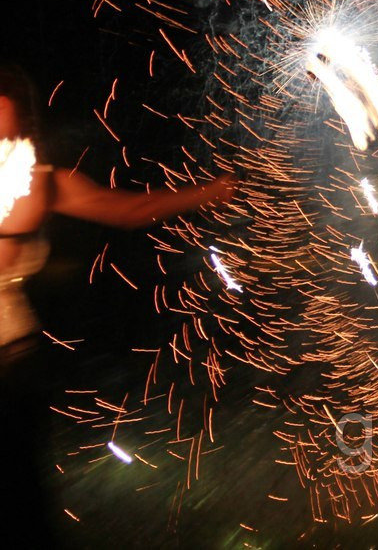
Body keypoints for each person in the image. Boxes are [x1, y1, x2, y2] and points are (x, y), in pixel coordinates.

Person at [0, 63, 236, 542]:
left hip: (10, 364)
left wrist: (215, 190)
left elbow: (129, 210)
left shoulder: (38, 180)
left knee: (19, 498)